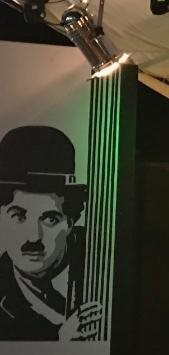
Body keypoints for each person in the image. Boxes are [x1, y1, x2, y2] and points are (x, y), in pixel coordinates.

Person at [0, 125, 96, 341]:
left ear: (70, 222)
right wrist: (61, 343)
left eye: (50, 219)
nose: (34, 237)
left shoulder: (97, 253)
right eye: (18, 216)